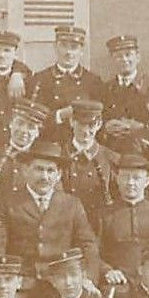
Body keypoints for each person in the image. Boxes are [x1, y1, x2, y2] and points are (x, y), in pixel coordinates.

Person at [0, 141, 99, 282]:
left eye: (50, 171)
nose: (44, 177)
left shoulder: (71, 204)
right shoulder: (8, 203)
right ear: (25, 170)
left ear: (58, 175)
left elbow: (88, 245)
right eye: (39, 169)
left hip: (62, 281)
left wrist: (88, 279)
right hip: (22, 281)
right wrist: (5, 280)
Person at [97, 152, 149, 284]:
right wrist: (107, 270)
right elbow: (93, 251)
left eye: (136, 178)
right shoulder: (104, 215)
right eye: (125, 177)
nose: (130, 183)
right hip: (119, 281)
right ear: (117, 179)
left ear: (147, 181)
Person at [28, 24, 105, 144]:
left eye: (74, 47)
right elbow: (33, 120)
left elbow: (100, 120)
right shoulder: (40, 79)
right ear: (55, 47)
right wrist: (60, 115)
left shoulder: (93, 81)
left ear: (81, 51)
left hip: (81, 147)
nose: (69, 52)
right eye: (63, 46)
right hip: (50, 146)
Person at [61, 98, 117, 230]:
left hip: (97, 225)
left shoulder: (110, 158)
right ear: (71, 122)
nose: (86, 131)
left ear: (99, 125)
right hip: (65, 223)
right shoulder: (59, 154)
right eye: (81, 124)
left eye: (91, 125)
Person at [100, 34, 149, 151]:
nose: (124, 60)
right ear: (112, 60)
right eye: (119, 56)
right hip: (112, 151)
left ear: (138, 57)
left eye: (128, 55)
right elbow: (97, 119)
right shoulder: (105, 89)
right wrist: (105, 126)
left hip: (143, 151)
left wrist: (140, 128)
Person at [0, 98, 48, 202]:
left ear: (38, 133)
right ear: (11, 124)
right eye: (20, 123)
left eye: (31, 127)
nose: (24, 131)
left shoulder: (42, 163)